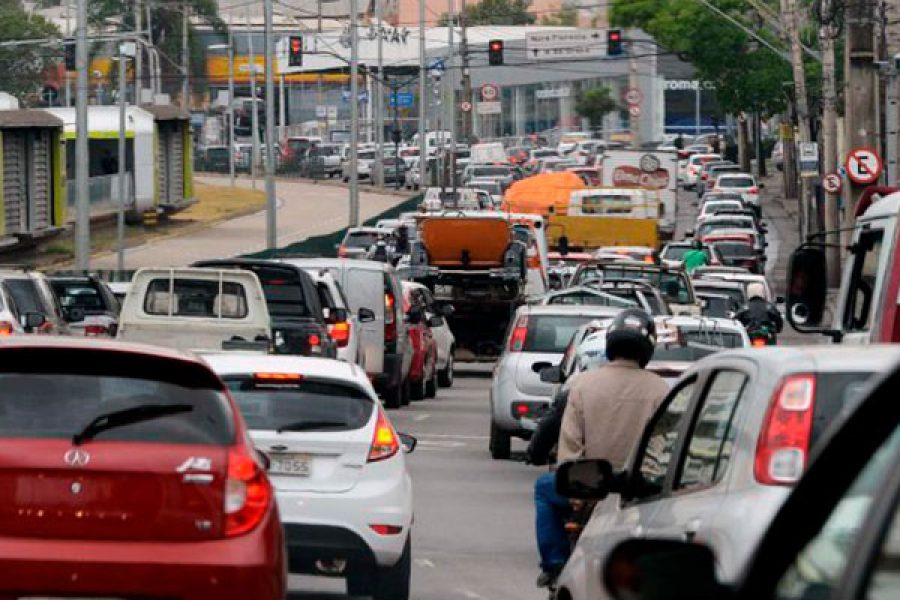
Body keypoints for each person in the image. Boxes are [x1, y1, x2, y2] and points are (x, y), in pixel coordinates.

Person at [532, 309, 670, 588]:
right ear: (647, 349)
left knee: (544, 489)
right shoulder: (660, 390)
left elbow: (570, 447)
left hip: (588, 486)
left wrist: (575, 492)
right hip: (638, 491)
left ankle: (555, 565)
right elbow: (663, 448)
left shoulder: (582, 385)